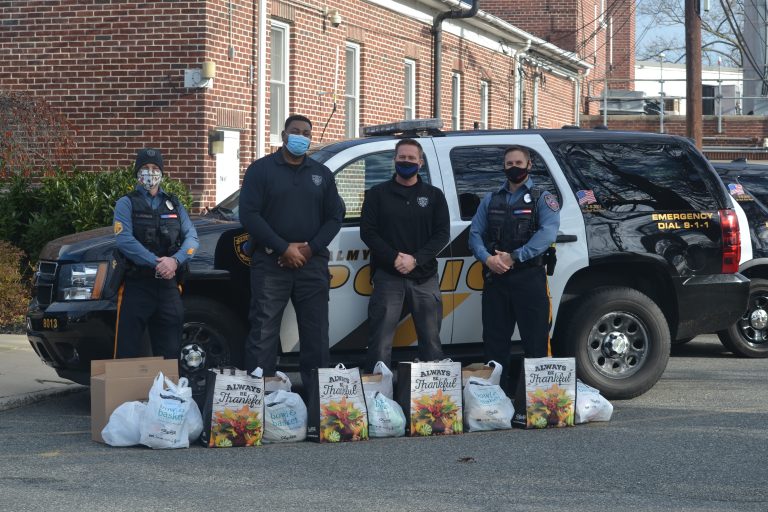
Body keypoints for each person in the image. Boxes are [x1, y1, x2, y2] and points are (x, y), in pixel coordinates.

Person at [239, 114, 345, 393]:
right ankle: (259, 396)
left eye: (306, 132)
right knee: (263, 331)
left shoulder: (321, 173)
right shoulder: (261, 170)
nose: (301, 136)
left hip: (311, 264)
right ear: (284, 135)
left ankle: (317, 399)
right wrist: (283, 247)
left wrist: (309, 250)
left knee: (316, 333)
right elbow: (249, 214)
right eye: (295, 131)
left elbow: (335, 216)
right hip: (271, 261)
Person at [468, 145, 560, 395]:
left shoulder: (543, 198)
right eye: (509, 163)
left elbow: (547, 234)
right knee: (495, 344)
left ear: (529, 165)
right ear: (504, 166)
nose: (514, 168)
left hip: (529, 278)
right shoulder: (491, 199)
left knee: (535, 341)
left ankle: (536, 401)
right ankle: (497, 400)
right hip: (495, 279)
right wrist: (488, 259)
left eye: (519, 163)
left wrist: (513, 258)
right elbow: (475, 234)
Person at [360, 138, 450, 371]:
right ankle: (378, 397)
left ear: (420, 162)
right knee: (380, 342)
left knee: (431, 341)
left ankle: (433, 401)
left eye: (411, 158)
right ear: (394, 160)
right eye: (402, 157)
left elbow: (442, 234)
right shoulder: (377, 194)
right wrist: (394, 258)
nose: (406, 161)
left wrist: (415, 259)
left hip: (424, 277)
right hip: (388, 276)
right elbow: (368, 232)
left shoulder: (434, 195)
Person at [113, 147, 199, 359]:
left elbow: (192, 239)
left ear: (161, 172)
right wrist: (156, 262)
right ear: (137, 173)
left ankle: (167, 390)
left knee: (170, 350)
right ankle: (127, 392)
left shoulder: (174, 204)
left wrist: (175, 261)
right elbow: (124, 240)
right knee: (128, 348)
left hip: (168, 286)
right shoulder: (126, 203)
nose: (150, 173)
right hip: (137, 284)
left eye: (154, 168)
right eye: (145, 168)